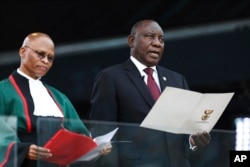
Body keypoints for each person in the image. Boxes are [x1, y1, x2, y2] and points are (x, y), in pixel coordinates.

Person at [89, 19, 211, 167]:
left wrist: (193, 140)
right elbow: (103, 133)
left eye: (161, 39)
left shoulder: (177, 80)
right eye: (150, 36)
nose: (157, 43)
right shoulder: (111, 77)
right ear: (132, 40)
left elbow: (185, 130)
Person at [0, 32, 111, 167]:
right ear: (23, 51)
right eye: (40, 54)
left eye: (50, 58)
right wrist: (22, 150)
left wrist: (96, 147)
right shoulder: (3, 91)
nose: (45, 61)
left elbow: (79, 136)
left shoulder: (59, 97)